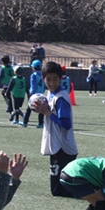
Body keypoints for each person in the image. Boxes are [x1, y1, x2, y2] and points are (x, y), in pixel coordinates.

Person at [31, 61, 79, 197]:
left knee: (57, 190)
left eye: (55, 79)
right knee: (58, 188)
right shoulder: (50, 94)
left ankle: (91, 191)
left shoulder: (60, 98)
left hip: (63, 147)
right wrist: (42, 110)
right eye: (48, 79)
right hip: (57, 145)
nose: (52, 83)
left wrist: (47, 113)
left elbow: (66, 124)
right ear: (43, 78)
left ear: (61, 78)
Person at [22, 59, 45, 128]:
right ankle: (41, 123)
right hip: (41, 94)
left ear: (33, 67)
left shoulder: (33, 75)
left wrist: (31, 94)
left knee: (29, 108)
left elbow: (33, 85)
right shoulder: (43, 75)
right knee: (41, 109)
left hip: (34, 94)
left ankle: (25, 122)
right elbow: (44, 85)